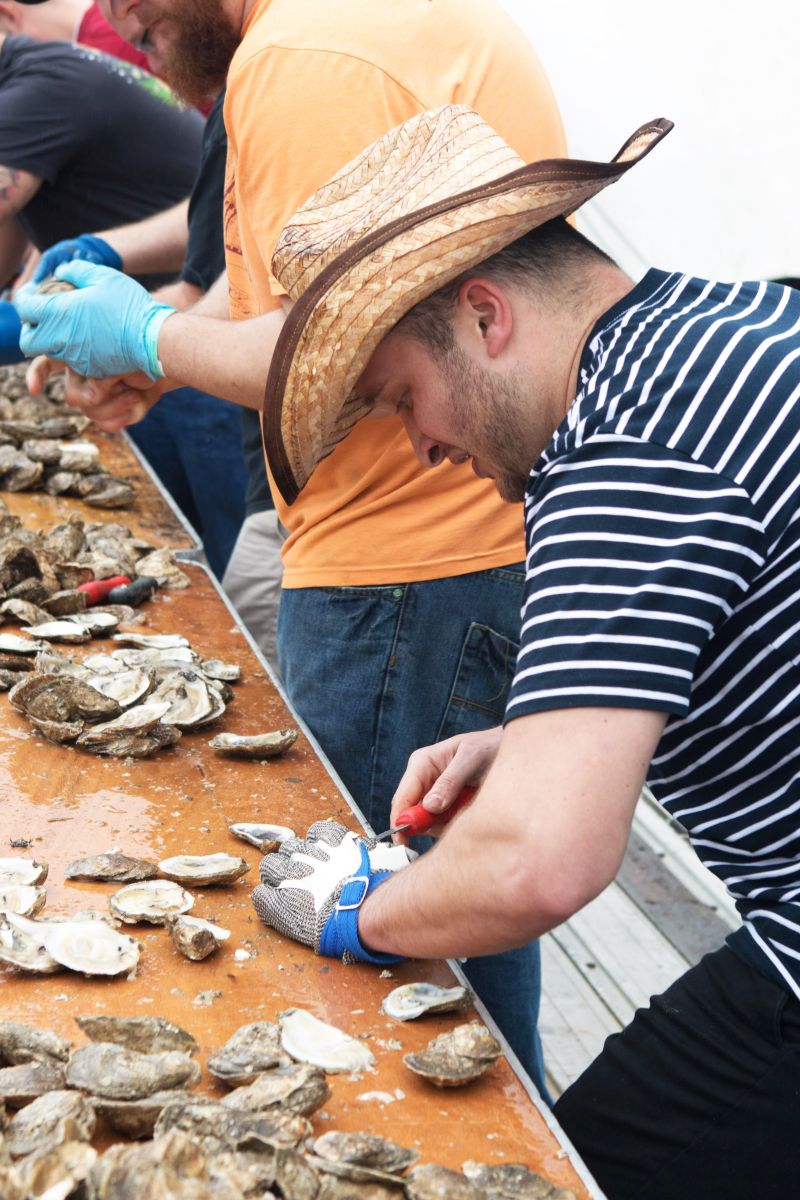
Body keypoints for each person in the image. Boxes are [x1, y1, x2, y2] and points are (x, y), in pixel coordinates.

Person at [235, 105, 800, 1199]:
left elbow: (538, 862)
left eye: (403, 397)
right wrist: (527, 738)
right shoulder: (727, 327)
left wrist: (354, 909)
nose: (424, 445)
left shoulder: (622, 453)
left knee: (562, 1174)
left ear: (484, 315)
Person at [14, 0, 568, 1092]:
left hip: (411, 562)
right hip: (426, 550)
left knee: (389, 974)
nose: (115, 13)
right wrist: (164, 350)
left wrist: (147, 334)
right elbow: (273, 287)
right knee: (445, 942)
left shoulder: (315, 53)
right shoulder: (326, 30)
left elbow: (344, 342)